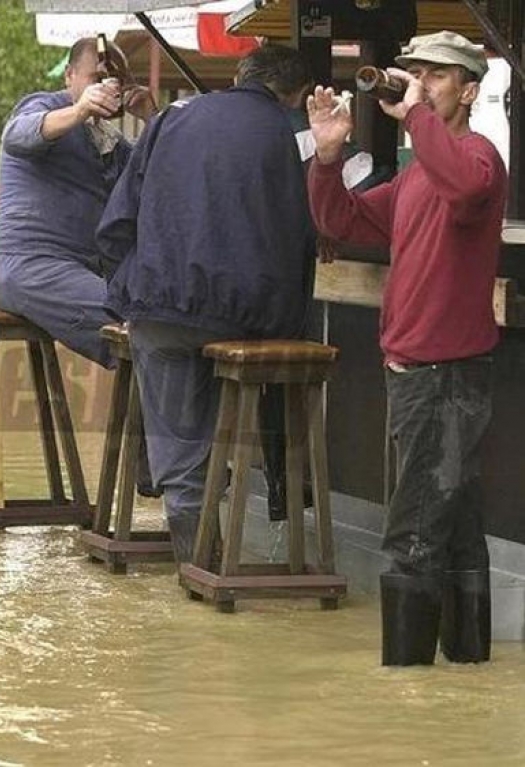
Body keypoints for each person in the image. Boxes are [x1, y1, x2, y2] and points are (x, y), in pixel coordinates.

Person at [306, 31, 507, 665]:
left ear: (469, 91)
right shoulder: (422, 173)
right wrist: (329, 157)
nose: (420, 83)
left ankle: (406, 689)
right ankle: (465, 675)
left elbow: (468, 189)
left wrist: (416, 115)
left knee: (413, 532)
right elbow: (341, 222)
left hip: (445, 375)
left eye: (437, 76)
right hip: (422, 372)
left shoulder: (476, 159)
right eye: (415, 72)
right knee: (455, 531)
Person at [96, 44, 317, 565]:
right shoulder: (281, 135)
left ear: (240, 76)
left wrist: (129, 288)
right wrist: (288, 324)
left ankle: (195, 561)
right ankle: (245, 527)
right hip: (243, 319)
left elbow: (115, 223)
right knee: (236, 405)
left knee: (179, 439)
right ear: (295, 95)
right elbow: (296, 241)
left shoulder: (172, 118)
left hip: (160, 309)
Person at [0, 36, 156, 370]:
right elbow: (17, 136)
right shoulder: (43, 106)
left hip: (77, 270)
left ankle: (147, 419)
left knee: (158, 317)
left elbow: (160, 174)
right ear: (69, 76)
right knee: (138, 321)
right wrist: (80, 109)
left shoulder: (110, 141)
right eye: (97, 78)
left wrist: (152, 117)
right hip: (26, 264)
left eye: (117, 81)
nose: (109, 87)